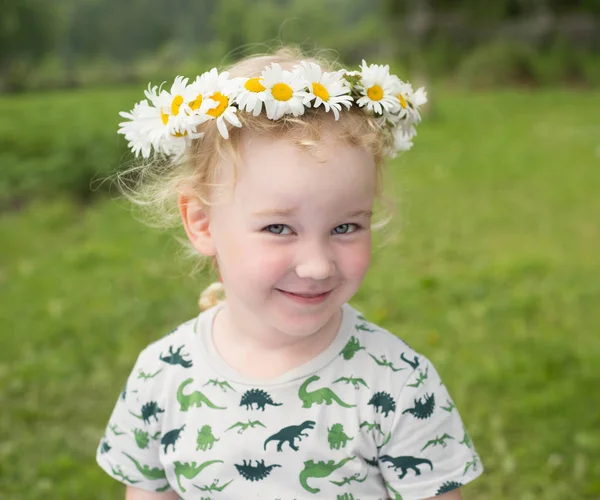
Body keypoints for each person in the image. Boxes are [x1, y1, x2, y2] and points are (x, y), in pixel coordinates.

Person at [96, 47, 483, 500]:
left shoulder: (398, 383)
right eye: (278, 227)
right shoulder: (160, 376)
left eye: (345, 226)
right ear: (202, 222)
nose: (317, 265)